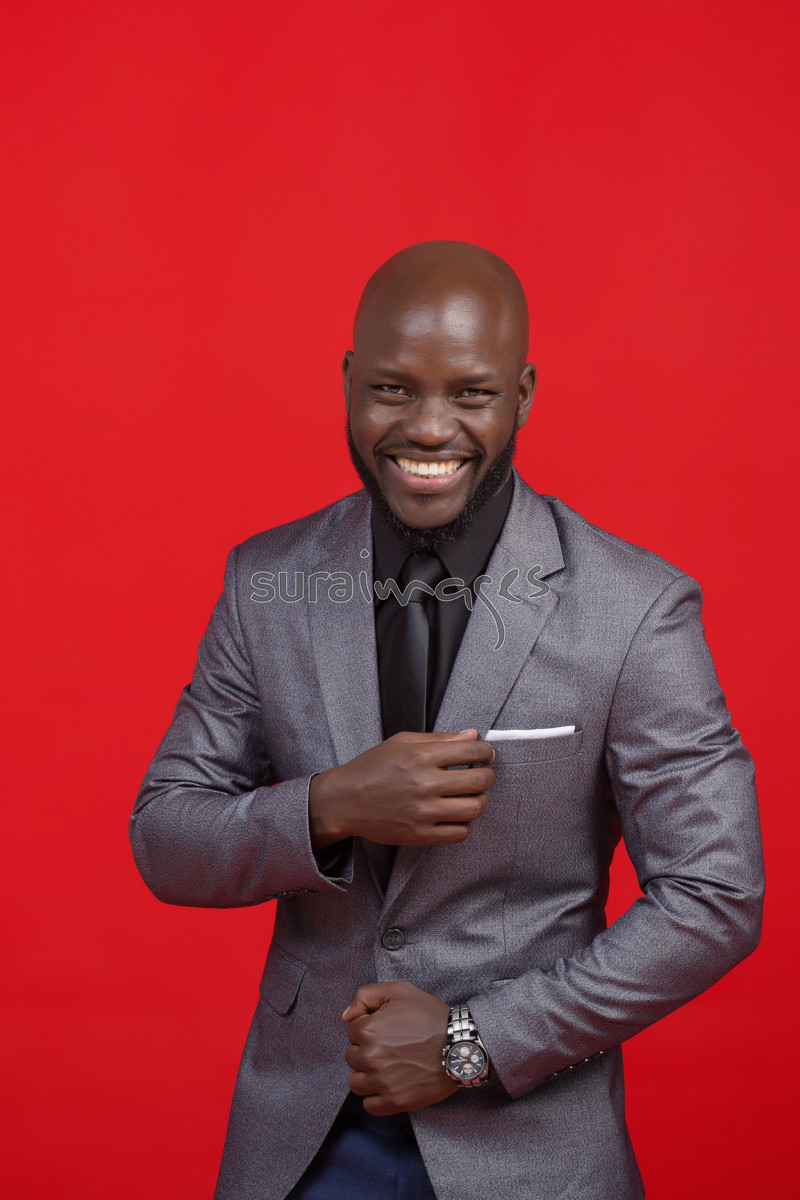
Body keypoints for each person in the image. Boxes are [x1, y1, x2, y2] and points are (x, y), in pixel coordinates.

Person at [130, 241, 765, 1200]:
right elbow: (164, 838)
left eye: (471, 394)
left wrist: (475, 1042)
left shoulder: (635, 608)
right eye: (392, 389)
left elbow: (715, 895)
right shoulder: (267, 583)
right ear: (349, 382)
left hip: (531, 1152)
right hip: (303, 1143)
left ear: (523, 395)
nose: (429, 428)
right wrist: (328, 807)